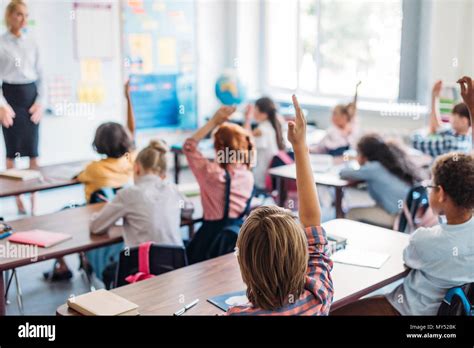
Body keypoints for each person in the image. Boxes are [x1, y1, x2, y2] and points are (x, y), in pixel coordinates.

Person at [227, 95, 334, 315]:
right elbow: (312, 223)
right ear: (301, 256)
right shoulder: (317, 295)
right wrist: (300, 146)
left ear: (244, 266)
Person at [332, 153, 474, 315]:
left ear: (441, 194)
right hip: (453, 311)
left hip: (406, 309)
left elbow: (408, 258)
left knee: (334, 311)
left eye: (431, 185)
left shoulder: (425, 239)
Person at [183, 106, 254, 264]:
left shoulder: (211, 174)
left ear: (217, 147)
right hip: (239, 238)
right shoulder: (247, 174)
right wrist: (247, 121)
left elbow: (189, 146)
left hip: (210, 238)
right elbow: (246, 143)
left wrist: (214, 122)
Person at [0, 0, 43, 214]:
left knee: (33, 152)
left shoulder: (33, 42)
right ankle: (18, 200)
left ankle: (35, 201)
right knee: (12, 153)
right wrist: (2, 105)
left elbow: (42, 75)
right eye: (19, 14)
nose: (23, 19)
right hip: (10, 99)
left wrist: (40, 102)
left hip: (30, 99)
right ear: (10, 16)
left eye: (26, 15)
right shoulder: (1, 43)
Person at [340, 134, 423, 228]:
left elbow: (343, 173)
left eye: (358, 153)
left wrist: (352, 161)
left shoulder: (373, 168)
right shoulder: (388, 163)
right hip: (408, 212)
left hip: (398, 218)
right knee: (374, 207)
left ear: (364, 154)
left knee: (352, 213)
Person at [412, 80, 472, 157]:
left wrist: (424, 131)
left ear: (464, 121)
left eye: (453, 115)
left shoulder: (451, 143)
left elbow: (417, 143)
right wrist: (434, 97)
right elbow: (437, 127)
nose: (450, 118)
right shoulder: (467, 138)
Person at [243, 97, 285, 191]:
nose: (254, 112)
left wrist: (247, 119)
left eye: (255, 109)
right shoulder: (272, 126)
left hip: (260, 179)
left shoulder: (261, 130)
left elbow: (244, 141)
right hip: (269, 176)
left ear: (264, 113)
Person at [311, 81, 361, 156]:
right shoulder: (337, 129)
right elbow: (319, 147)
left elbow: (320, 149)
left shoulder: (339, 130)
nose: (332, 117)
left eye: (334, 114)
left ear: (344, 116)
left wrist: (357, 90)